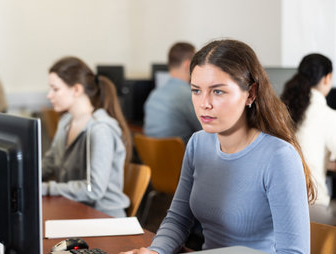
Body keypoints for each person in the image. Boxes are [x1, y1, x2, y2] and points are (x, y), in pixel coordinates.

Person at [121, 39, 315, 254]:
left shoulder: (279, 157)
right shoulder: (198, 143)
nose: (204, 103)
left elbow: (294, 252)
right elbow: (178, 219)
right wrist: (156, 251)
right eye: (196, 90)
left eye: (218, 91)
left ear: (250, 93)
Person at [41, 56, 131, 218]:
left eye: (55, 89)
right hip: (74, 209)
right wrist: (21, 177)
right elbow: (50, 163)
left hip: (102, 217)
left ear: (76, 89)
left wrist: (46, 189)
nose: (49, 95)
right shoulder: (66, 121)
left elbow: (94, 189)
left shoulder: (100, 129)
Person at [281, 53, 336, 225]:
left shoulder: (282, 110)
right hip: (313, 208)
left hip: (278, 205)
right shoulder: (328, 116)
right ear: (327, 78)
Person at [143, 42, 201, 143]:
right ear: (188, 65)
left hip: (155, 158)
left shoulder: (154, 94)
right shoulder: (188, 95)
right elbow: (206, 130)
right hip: (181, 157)